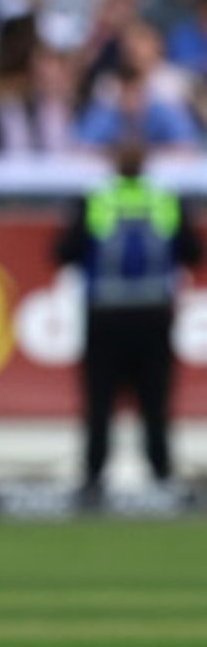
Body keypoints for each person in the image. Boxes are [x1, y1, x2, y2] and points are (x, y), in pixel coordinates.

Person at [54, 141, 202, 509]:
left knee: (99, 401)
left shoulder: (96, 200)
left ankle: (93, 478)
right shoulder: (164, 200)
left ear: (113, 163)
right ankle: (162, 477)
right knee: (155, 401)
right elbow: (193, 253)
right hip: (153, 312)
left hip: (105, 313)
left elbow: (63, 252)